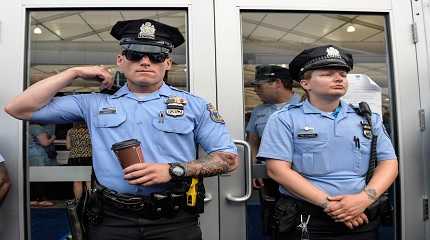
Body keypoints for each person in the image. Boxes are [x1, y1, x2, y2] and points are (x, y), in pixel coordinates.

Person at [5, 18, 239, 240]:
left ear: (167, 63)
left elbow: (228, 159)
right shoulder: (93, 103)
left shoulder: (195, 105)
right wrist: (73, 72)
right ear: (120, 60)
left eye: (156, 56)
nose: (145, 61)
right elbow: (18, 108)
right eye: (135, 54)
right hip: (111, 219)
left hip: (174, 220)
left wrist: (174, 170)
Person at [257, 45, 398, 239]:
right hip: (307, 220)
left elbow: (389, 163)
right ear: (306, 84)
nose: (339, 78)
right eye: (327, 74)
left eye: (342, 74)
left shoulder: (367, 118)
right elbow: (277, 170)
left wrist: (364, 199)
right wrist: (331, 205)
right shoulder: (285, 119)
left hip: (361, 217)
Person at [245, 65, 301, 235]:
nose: (255, 90)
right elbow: (252, 142)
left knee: (299, 224)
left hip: (300, 178)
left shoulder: (305, 105)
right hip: (269, 179)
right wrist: (254, 171)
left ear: (277, 83)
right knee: (273, 224)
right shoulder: (259, 111)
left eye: (259, 86)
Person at [29, 123, 56, 207]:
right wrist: (53, 138)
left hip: (29, 155)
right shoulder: (37, 127)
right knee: (41, 176)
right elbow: (45, 143)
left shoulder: (27, 127)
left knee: (32, 177)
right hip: (38, 155)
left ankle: (33, 199)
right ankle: (42, 199)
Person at [66, 122, 92, 200]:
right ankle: (90, 202)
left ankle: (78, 202)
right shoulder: (90, 131)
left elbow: (68, 146)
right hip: (88, 157)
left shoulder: (70, 131)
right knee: (89, 181)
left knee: (77, 181)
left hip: (74, 158)